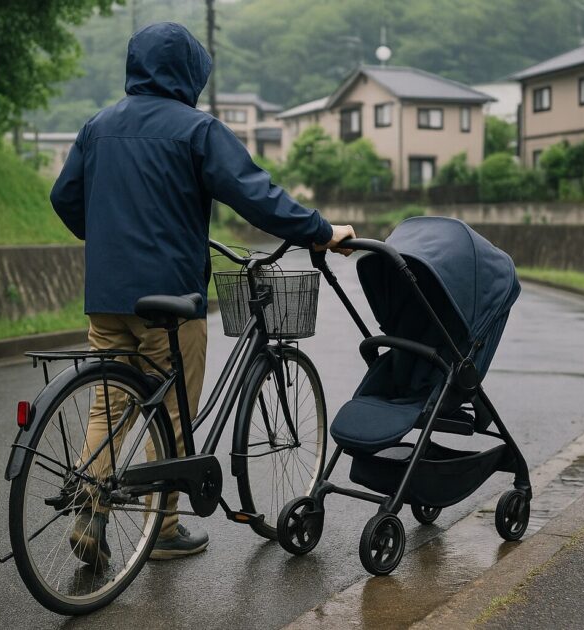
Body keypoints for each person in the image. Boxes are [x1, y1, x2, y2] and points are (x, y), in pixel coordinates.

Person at [49, 21, 355, 564]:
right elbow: (254, 193)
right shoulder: (196, 129)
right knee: (173, 406)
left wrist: (105, 237)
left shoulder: (97, 127)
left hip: (106, 295)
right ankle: (164, 527)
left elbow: (65, 196)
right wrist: (319, 231)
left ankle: (91, 512)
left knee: (109, 400)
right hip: (169, 300)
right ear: (188, 72)